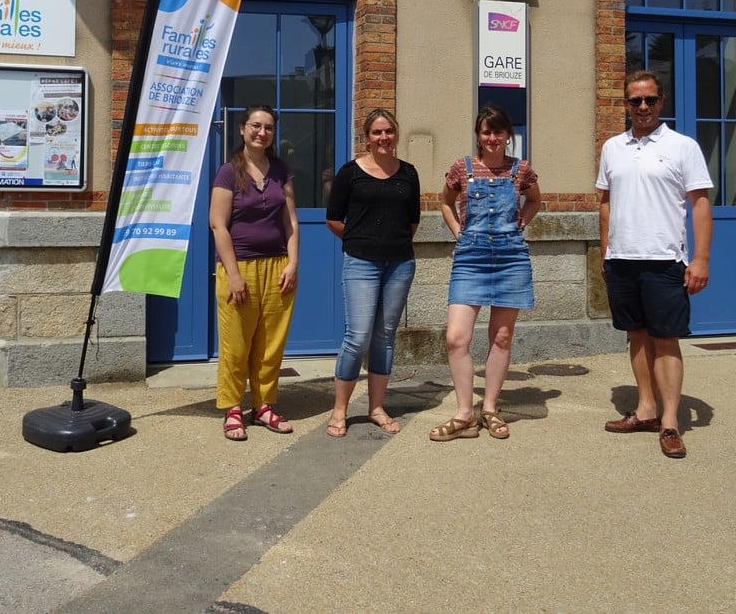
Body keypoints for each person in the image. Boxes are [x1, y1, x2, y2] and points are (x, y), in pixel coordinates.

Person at [596, 70, 713, 459]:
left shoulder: (683, 146)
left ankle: (670, 422)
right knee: (635, 335)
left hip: (665, 259)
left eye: (649, 100)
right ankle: (645, 410)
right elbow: (605, 203)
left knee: (666, 339)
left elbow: (699, 204)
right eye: (634, 101)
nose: (642, 107)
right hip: (622, 259)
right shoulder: (613, 147)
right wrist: (605, 253)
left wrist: (700, 258)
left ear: (661, 102)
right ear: (626, 104)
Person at [430, 105, 541, 442]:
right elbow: (445, 202)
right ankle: (465, 414)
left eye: (498, 132)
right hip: (471, 258)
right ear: (478, 135)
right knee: (456, 337)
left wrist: (522, 221)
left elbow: (535, 200)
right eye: (486, 132)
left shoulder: (520, 170)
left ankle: (489, 407)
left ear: (508, 135)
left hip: (510, 257)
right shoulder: (462, 168)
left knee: (502, 337)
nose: (492, 138)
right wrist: (458, 233)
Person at [324, 108, 421, 438]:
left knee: (384, 337)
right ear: (367, 138)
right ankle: (340, 411)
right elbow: (333, 219)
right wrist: (359, 240)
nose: (384, 138)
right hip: (361, 263)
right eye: (377, 132)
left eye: (389, 132)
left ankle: (376, 407)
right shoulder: (350, 173)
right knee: (358, 336)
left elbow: (413, 220)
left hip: (399, 264)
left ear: (395, 134)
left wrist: (390, 243)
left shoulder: (408, 173)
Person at [209, 105, 300, 441]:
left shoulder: (280, 170)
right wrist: (233, 275)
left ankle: (263, 406)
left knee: (270, 344)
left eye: (269, 128)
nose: (262, 132)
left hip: (278, 267)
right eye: (256, 126)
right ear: (242, 129)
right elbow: (218, 225)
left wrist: (293, 263)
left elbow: (290, 220)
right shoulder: (228, 172)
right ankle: (233, 408)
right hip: (240, 267)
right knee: (236, 343)